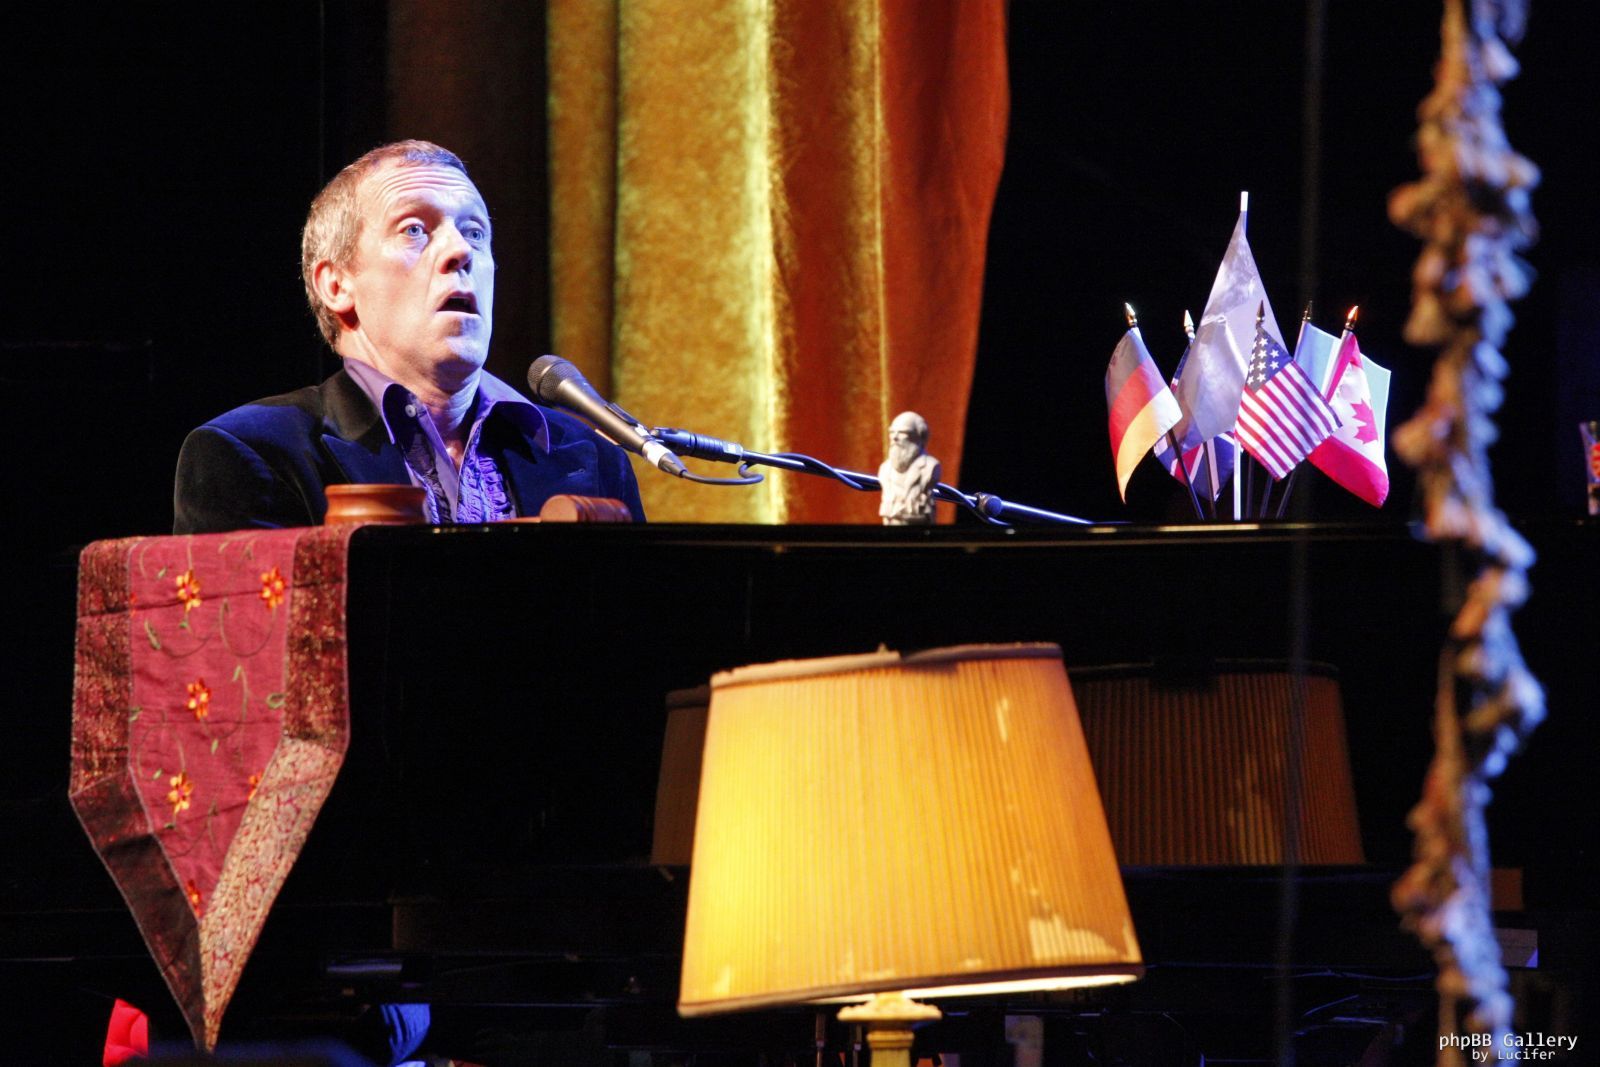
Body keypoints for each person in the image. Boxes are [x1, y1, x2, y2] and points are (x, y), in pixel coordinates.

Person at [174, 140, 643, 533]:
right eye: (414, 229)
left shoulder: (594, 460)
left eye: (475, 233)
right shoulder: (253, 453)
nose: (460, 250)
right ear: (337, 285)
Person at [877, 410, 941, 525]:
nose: (894, 437)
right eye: (892, 432)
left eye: (902, 432)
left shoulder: (930, 466)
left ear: (920, 436)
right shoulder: (885, 469)